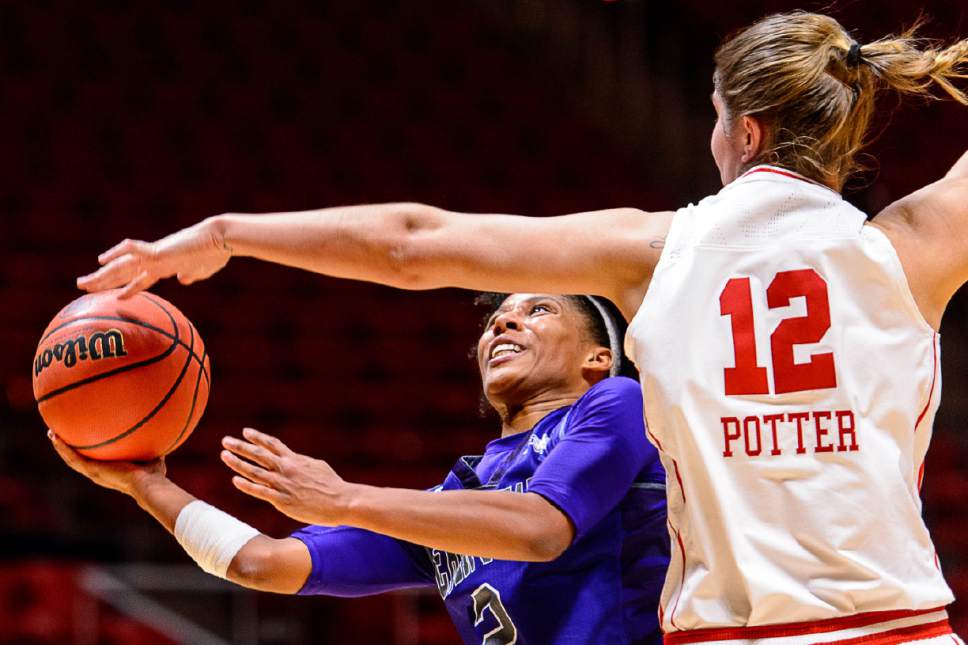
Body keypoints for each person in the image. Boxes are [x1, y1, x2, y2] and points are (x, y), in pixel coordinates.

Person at [75, 10, 968, 643]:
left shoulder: (656, 253)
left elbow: (413, 243)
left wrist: (230, 234)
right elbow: (273, 561)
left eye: (712, 117)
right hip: (904, 627)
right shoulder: (915, 244)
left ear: (744, 130)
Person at [50, 292, 670, 645]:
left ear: (599, 356)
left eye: (539, 311)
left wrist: (342, 499)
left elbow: (540, 529)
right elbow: (260, 563)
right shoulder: (454, 499)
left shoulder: (617, 401)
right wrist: (146, 485)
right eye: (494, 319)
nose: (502, 323)